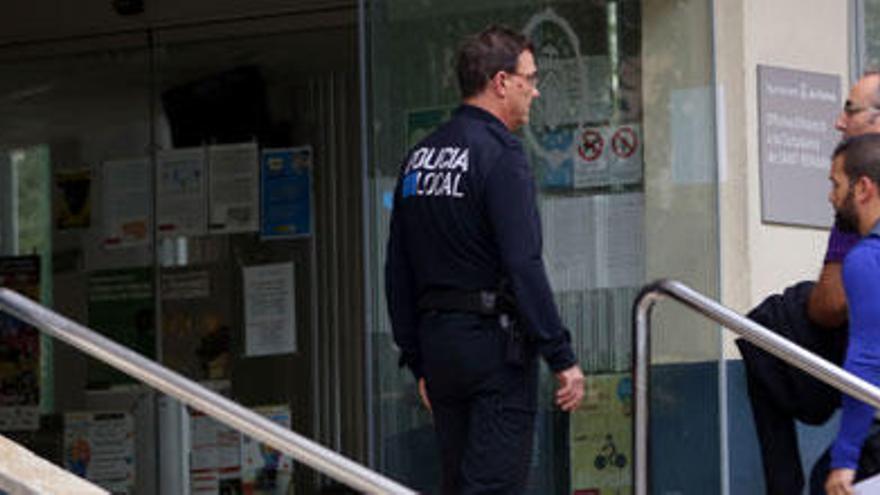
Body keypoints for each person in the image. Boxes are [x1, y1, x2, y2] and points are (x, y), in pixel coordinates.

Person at [384, 25, 585, 494]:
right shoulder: (500, 155)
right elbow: (523, 263)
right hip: (494, 350)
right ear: (500, 81)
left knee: (459, 483)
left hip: (440, 349)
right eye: (529, 79)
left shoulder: (419, 158)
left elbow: (398, 269)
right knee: (493, 485)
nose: (534, 91)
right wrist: (561, 355)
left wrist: (418, 360)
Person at [738, 72, 880, 495]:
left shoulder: (867, 254)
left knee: (764, 327)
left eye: (850, 109)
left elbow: (844, 327)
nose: (840, 121)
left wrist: (845, 460)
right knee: (763, 330)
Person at [811, 133, 880, 495]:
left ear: (864, 188)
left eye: (837, 184)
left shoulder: (867, 259)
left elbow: (867, 363)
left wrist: (845, 459)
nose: (831, 196)